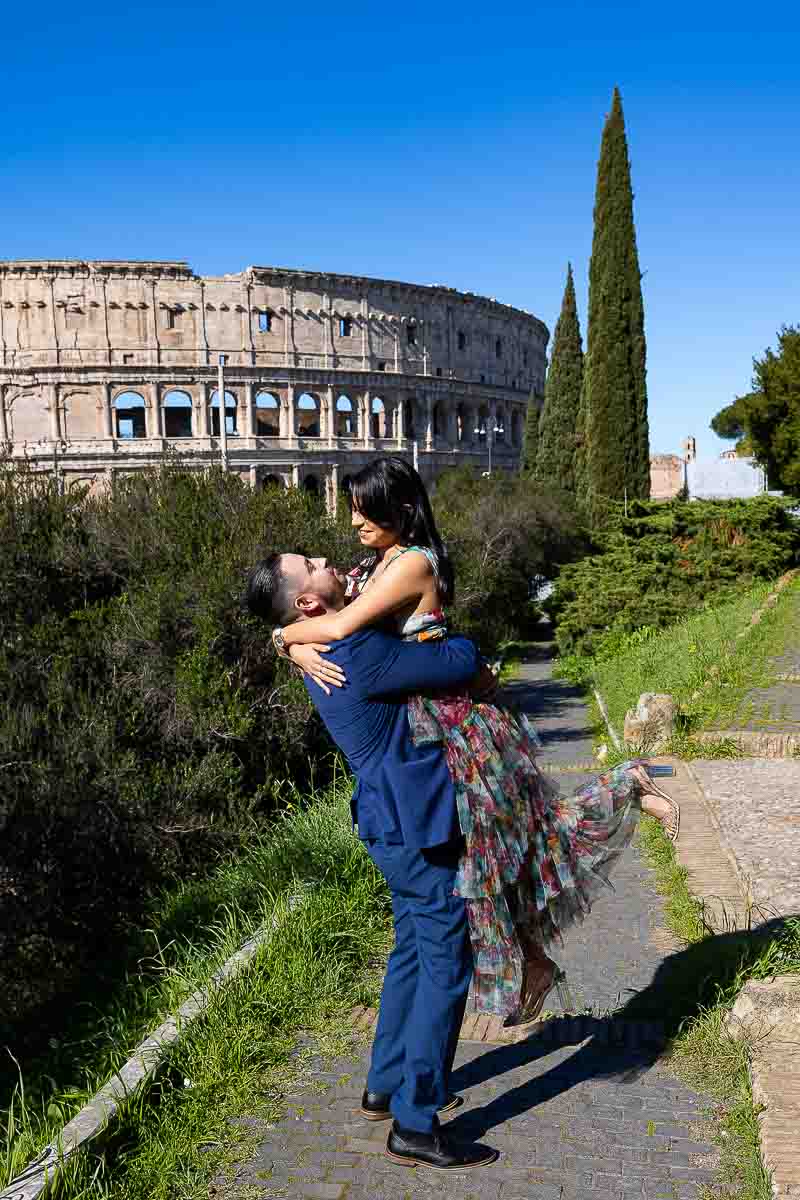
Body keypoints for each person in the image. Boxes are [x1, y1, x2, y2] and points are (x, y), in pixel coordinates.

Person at [272, 457, 681, 1025]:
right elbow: (333, 617)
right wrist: (291, 642)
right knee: (490, 861)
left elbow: (338, 628)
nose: (355, 520)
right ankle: (534, 960)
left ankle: (625, 784)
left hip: (461, 729)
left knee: (514, 850)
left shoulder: (412, 563)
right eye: (354, 508)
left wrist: (285, 636)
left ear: (403, 510)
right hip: (433, 729)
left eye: (367, 509)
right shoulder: (374, 563)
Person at [245, 553, 498, 1172]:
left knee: (413, 945)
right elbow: (458, 661)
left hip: (388, 823)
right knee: (446, 959)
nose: (328, 559)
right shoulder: (361, 655)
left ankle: (385, 1083)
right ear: (310, 603)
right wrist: (430, 603)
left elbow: (331, 622)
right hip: (414, 824)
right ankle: (416, 1119)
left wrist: (284, 638)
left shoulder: (332, 645)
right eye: (312, 564)